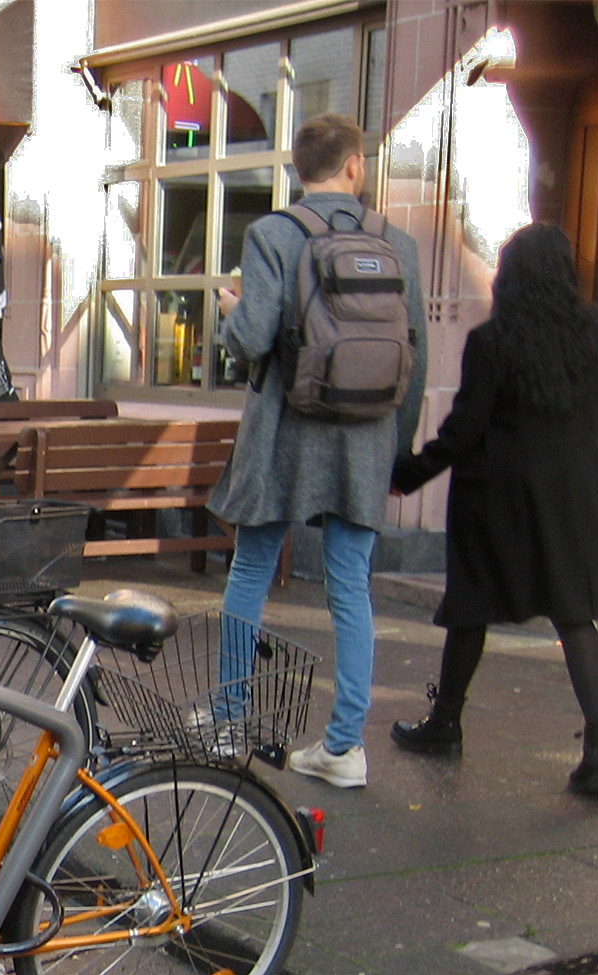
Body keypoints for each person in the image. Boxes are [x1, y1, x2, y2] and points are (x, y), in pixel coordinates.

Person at [211, 114, 427, 789]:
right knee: (349, 588)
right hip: (365, 440)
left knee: (251, 570)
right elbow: (413, 358)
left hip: (283, 431)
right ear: (355, 167)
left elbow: (249, 340)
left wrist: (227, 310)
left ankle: (231, 718)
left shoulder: (272, 234)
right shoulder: (399, 245)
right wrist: (400, 451)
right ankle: (343, 746)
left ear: (297, 169)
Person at [387, 222, 598, 796]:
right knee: (575, 615)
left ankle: (446, 722)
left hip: (497, 495)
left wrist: (411, 471)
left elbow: (466, 428)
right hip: (575, 491)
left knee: (471, 607)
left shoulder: (495, 341)